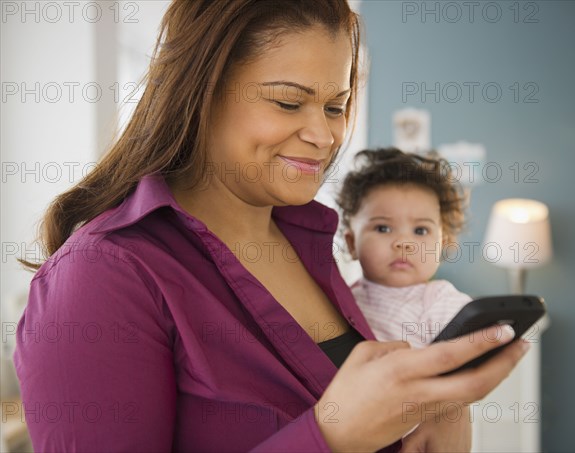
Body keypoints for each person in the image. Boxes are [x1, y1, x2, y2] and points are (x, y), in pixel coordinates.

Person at [13, 1, 529, 452]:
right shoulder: (102, 276)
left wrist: (440, 409)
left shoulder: (308, 243)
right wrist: (331, 437)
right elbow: (341, 424)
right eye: (287, 102)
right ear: (201, 93)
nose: (324, 135)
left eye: (336, 107)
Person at [338, 148, 472, 349]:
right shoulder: (343, 300)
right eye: (383, 228)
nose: (403, 243)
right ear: (351, 243)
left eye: (420, 230)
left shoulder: (441, 302)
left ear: (442, 243)